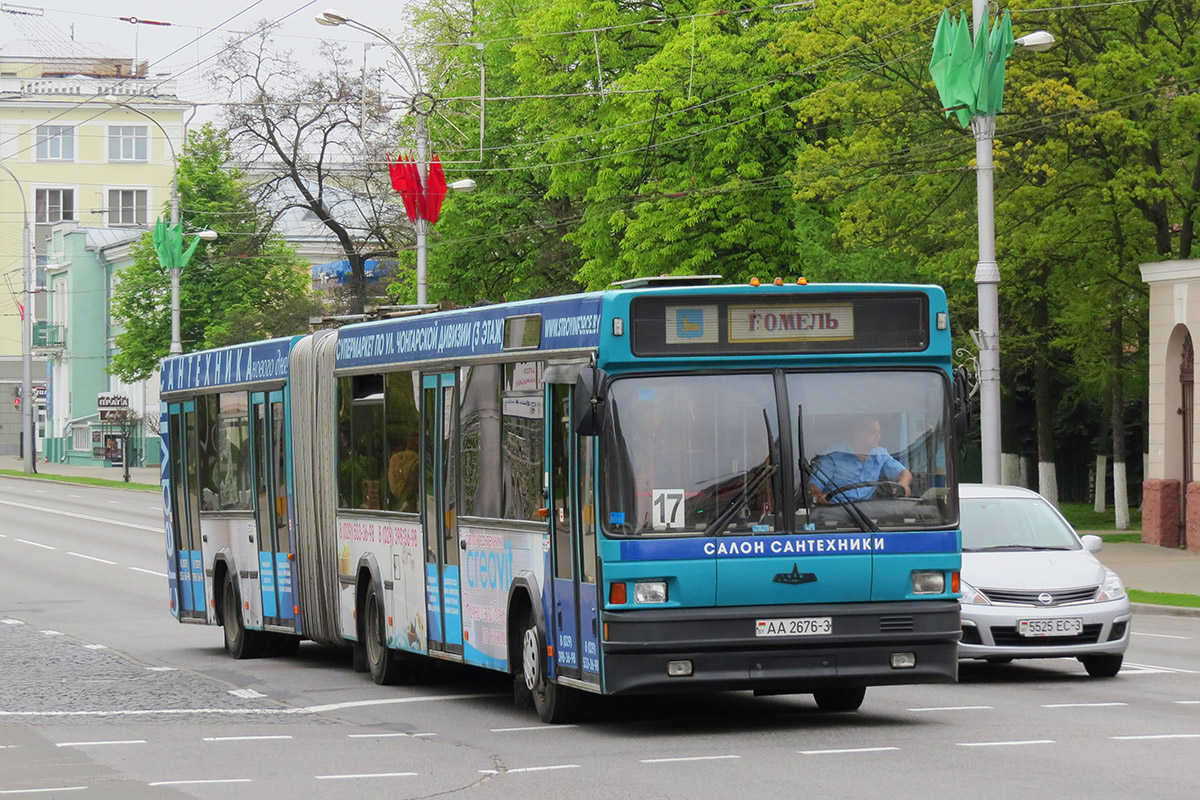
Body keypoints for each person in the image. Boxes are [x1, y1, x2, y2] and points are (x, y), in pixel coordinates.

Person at [808, 416, 912, 504]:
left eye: (878, 432)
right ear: (856, 433)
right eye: (872, 432)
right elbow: (813, 487)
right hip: (837, 513)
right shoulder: (832, 457)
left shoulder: (880, 455)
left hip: (868, 515)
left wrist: (903, 484)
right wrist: (820, 497)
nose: (878, 436)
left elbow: (905, 474)